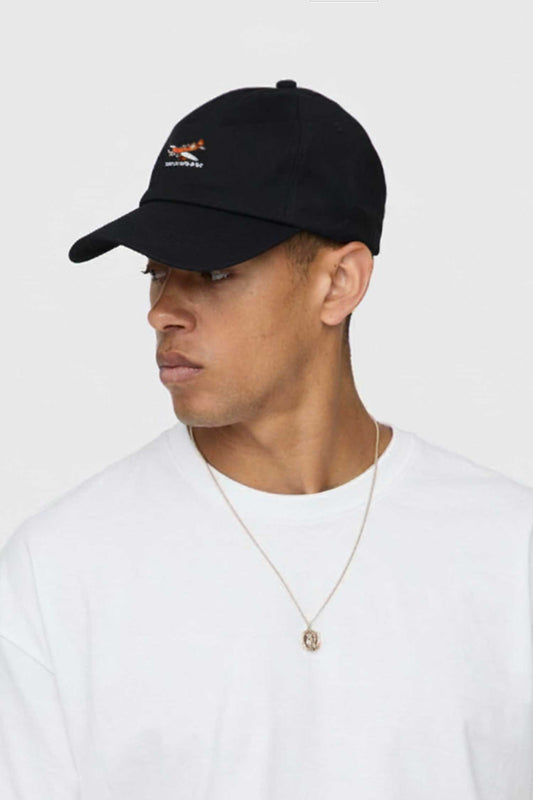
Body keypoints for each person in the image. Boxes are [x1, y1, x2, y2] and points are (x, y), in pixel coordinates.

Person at [1, 79, 532, 800]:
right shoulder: (60, 569)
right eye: (156, 271)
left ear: (338, 283)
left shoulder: (508, 551)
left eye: (214, 270)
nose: (162, 311)